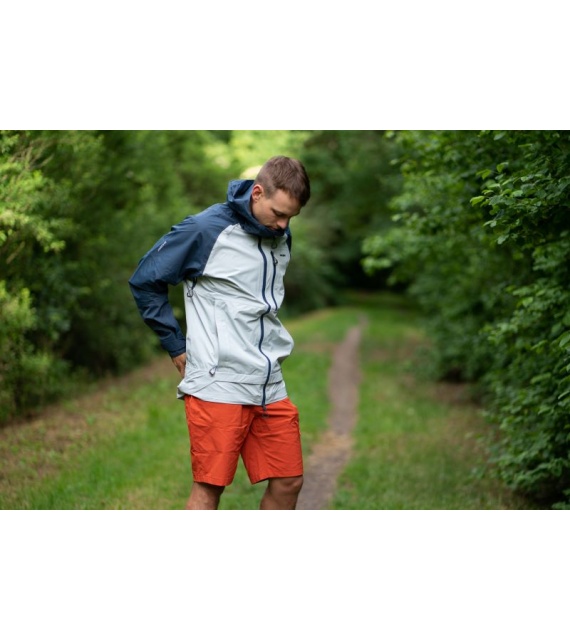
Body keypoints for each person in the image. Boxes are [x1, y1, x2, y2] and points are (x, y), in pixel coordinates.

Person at [129, 156, 311, 510]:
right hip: (217, 382)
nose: (284, 224)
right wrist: (175, 345)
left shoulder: (280, 235)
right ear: (257, 193)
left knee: (289, 481)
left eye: (291, 217)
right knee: (210, 487)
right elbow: (145, 280)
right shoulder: (205, 230)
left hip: (268, 383)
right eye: (278, 213)